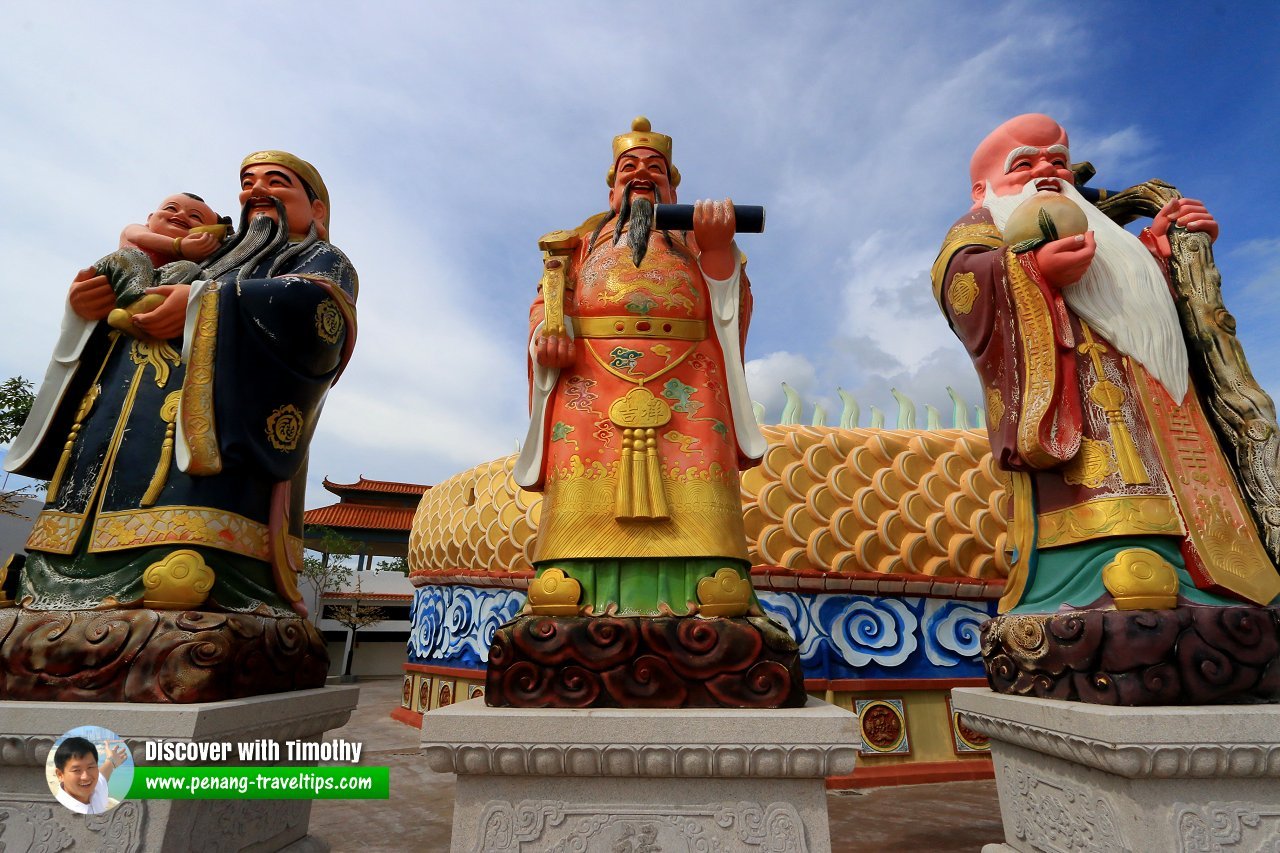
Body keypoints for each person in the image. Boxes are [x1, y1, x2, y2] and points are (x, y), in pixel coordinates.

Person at [932, 113, 1278, 614]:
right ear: (982, 189)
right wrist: (1031, 271)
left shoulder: (1104, 229)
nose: (1044, 172)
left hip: (1162, 405)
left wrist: (1165, 253)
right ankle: (1099, 571)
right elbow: (960, 285)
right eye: (1022, 164)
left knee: (1189, 494)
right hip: (1080, 391)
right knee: (1113, 494)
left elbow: (1153, 310)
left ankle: (1209, 576)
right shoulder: (984, 224)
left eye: (1058, 161)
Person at [5, 151, 357, 620]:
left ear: (315, 210)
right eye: (247, 182)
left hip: (206, 425)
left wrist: (202, 304)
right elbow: (131, 262)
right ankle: (57, 572)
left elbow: (319, 311)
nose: (256, 191)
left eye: (277, 182)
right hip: (117, 408)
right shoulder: (212, 258)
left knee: (182, 564)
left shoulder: (318, 257)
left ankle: (197, 564)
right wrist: (85, 310)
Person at [513, 117, 766, 617]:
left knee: (697, 467)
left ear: (673, 186)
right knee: (583, 473)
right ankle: (572, 586)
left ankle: (708, 585)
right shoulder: (577, 247)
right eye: (629, 168)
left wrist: (716, 249)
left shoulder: (693, 240)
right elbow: (546, 303)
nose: (642, 175)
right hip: (590, 377)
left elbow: (731, 303)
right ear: (612, 190)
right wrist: (547, 337)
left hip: (688, 376)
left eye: (656, 169)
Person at [53, 736, 126, 815]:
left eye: (90, 767)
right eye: (76, 770)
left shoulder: (96, 788)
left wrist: (111, 761)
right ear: (60, 775)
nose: (86, 777)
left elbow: (103, 774)